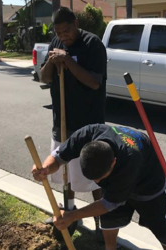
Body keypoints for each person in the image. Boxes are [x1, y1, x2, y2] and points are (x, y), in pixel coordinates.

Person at [32, 124, 166, 250]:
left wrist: (72, 216)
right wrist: (44, 168)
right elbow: (58, 157)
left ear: (113, 162)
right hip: (119, 180)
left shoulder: (130, 160)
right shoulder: (89, 133)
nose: (97, 182)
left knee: (163, 229)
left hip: (149, 184)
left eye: (101, 178)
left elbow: (107, 204)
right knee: (109, 222)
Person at [39, 7, 107, 239]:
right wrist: (51, 63)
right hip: (63, 123)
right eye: (59, 32)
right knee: (65, 171)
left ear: (76, 23)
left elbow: (94, 82)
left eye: (67, 30)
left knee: (95, 175)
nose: (63, 36)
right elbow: (44, 78)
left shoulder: (92, 44)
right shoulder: (55, 43)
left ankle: (104, 220)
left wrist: (67, 60)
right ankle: (69, 212)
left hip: (89, 125)